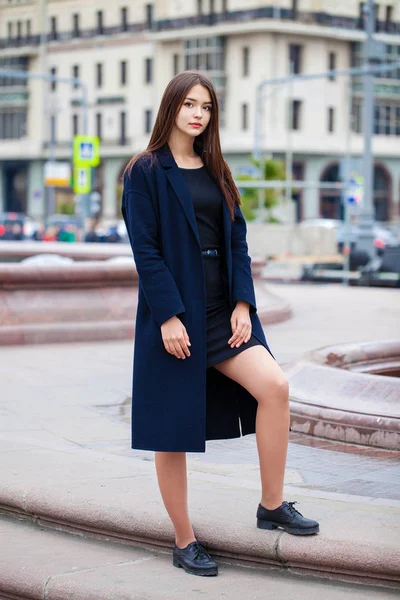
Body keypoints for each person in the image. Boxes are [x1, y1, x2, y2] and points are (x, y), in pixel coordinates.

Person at [121, 71, 319, 578]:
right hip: (176, 316)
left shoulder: (216, 168)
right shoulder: (144, 171)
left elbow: (238, 242)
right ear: (171, 107)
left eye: (206, 107)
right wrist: (167, 315)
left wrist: (243, 305)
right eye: (190, 104)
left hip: (223, 313)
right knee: (172, 433)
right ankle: (184, 540)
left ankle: (271, 505)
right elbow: (145, 250)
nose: (199, 114)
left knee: (274, 387)